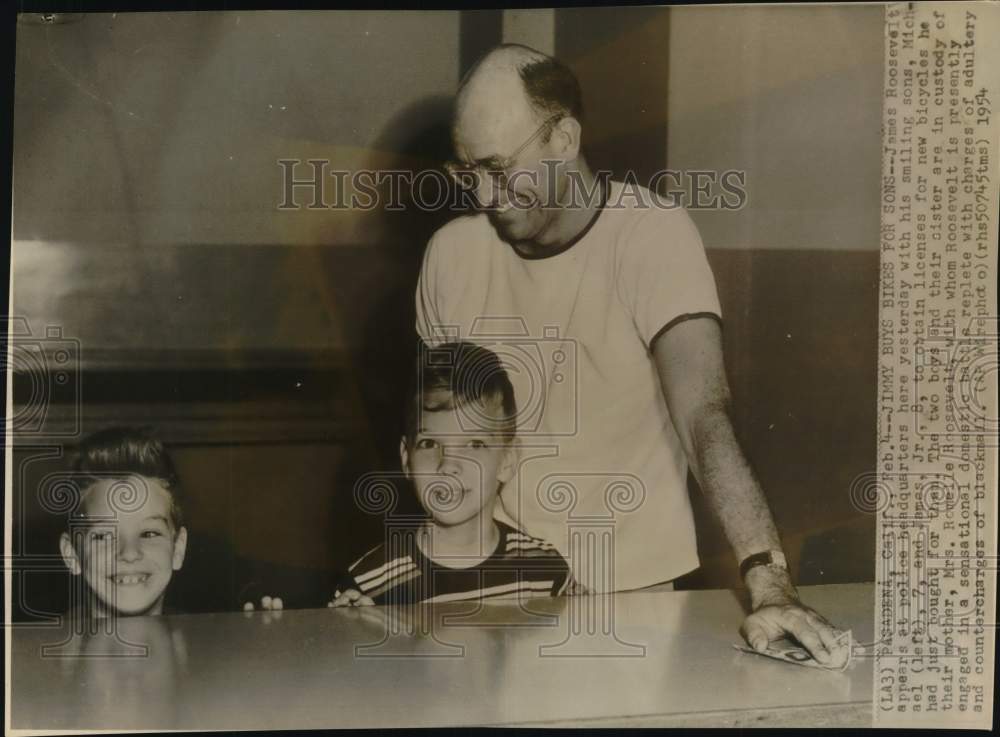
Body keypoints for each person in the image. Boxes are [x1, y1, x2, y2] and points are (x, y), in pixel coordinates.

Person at [416, 43, 848, 666]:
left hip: (628, 594)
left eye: (498, 168)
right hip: (493, 589)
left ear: (563, 139)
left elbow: (703, 415)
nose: (484, 194)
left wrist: (769, 582)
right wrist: (405, 578)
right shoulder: (450, 255)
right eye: (466, 172)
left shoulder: (651, 235)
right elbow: (442, 443)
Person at [330, 341, 581, 606]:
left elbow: (589, 631)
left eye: (474, 444)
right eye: (429, 444)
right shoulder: (368, 586)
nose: (448, 465)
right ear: (406, 459)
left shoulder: (545, 572)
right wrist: (355, 626)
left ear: (507, 460)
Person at [58, 426, 188, 619]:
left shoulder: (207, 635)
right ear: (72, 554)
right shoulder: (40, 639)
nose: (130, 553)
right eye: (103, 536)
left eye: (149, 534)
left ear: (178, 548)